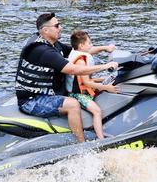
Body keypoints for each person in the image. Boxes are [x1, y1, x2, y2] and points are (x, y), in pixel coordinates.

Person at [15, 12, 118, 143]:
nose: (61, 28)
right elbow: (72, 69)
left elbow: (79, 51)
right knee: (72, 104)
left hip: (47, 92)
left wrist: (105, 48)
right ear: (46, 30)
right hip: (32, 100)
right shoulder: (42, 50)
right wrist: (105, 66)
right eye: (57, 25)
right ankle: (82, 145)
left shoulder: (53, 44)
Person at [66, 30, 119, 139]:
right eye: (89, 43)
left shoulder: (76, 52)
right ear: (81, 45)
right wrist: (106, 87)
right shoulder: (80, 61)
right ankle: (101, 139)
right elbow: (86, 82)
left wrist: (103, 79)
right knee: (97, 111)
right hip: (77, 95)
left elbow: (83, 80)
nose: (92, 45)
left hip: (80, 90)